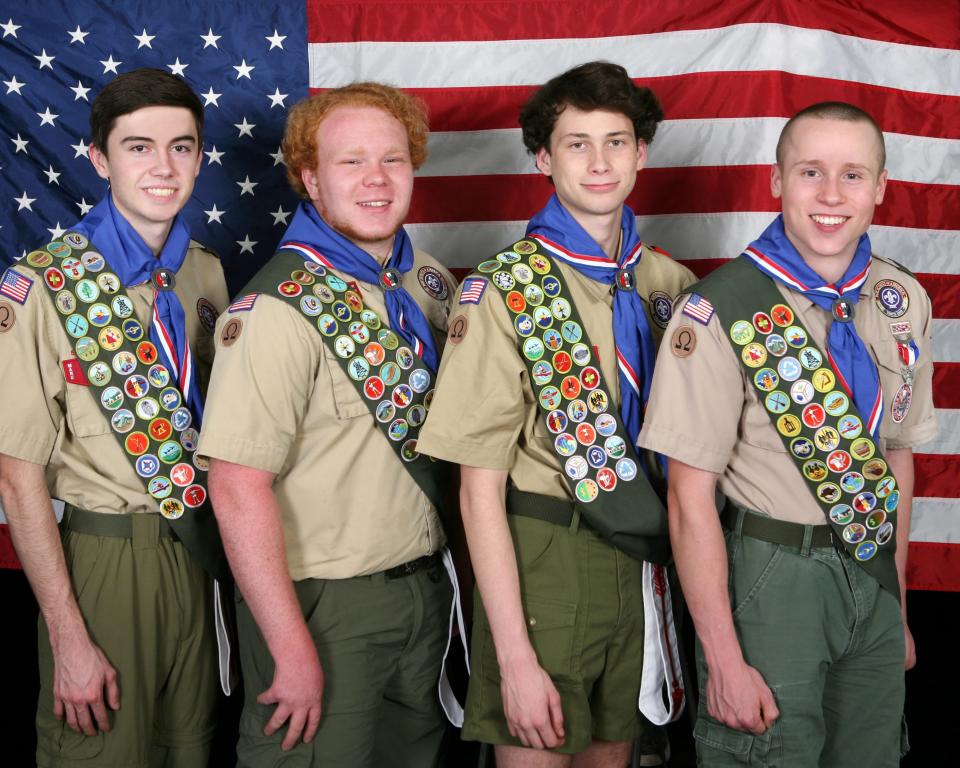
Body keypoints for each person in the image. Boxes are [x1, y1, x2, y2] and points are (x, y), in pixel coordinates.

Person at [640, 102, 936, 766]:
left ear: (881, 186)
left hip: (872, 572)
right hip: (775, 577)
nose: (832, 195)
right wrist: (721, 657)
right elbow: (689, 500)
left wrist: (898, 604)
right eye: (810, 172)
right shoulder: (720, 308)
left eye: (853, 175)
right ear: (776, 181)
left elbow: (898, 460)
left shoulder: (900, 298)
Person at [417, 61, 694, 766]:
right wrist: (511, 654)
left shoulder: (669, 285)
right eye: (577, 143)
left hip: (644, 561)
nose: (599, 162)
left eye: (617, 141)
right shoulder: (504, 289)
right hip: (545, 558)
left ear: (642, 152)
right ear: (543, 157)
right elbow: (475, 489)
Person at [198, 82, 464, 768]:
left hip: (426, 593)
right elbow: (234, 488)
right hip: (324, 609)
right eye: (351, 163)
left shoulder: (425, 283)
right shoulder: (276, 311)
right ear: (311, 179)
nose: (377, 180)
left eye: (394, 160)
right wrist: (291, 650)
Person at [0, 68, 229, 768]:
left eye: (182, 147)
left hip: (199, 554)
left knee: (189, 751)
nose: (163, 166)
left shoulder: (204, 274)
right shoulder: (44, 286)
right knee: (102, 754)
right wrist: (68, 634)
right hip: (102, 563)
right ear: (99, 160)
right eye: (138, 147)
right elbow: (15, 477)